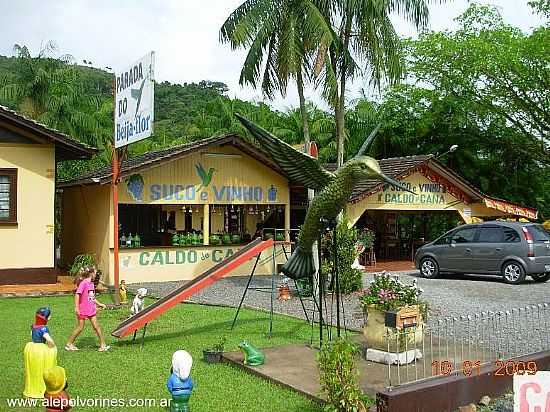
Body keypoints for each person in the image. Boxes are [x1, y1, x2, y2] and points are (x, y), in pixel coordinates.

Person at [65, 266, 110, 352]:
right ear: (91, 273)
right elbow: (77, 294)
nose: (96, 275)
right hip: (82, 309)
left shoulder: (91, 284)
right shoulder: (84, 283)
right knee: (80, 327)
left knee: (97, 327)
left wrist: (100, 304)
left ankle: (103, 345)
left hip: (91, 309)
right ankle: (69, 344)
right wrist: (77, 307)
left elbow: (91, 297)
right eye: (95, 273)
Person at [23, 307, 57, 398]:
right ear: (46, 318)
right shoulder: (43, 329)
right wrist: (52, 346)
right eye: (49, 316)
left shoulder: (33, 326)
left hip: (32, 349)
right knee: (42, 368)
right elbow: (48, 339)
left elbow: (31, 335)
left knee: (33, 369)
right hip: (40, 351)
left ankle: (32, 387)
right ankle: (42, 388)